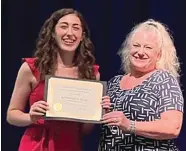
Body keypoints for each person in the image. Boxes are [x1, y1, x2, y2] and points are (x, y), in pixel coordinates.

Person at [6, 8, 110, 151]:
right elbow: (12, 115)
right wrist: (31, 117)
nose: (70, 33)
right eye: (63, 26)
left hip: (71, 145)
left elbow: (85, 130)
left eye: (76, 28)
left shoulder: (91, 74)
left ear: (82, 36)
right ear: (53, 33)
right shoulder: (32, 68)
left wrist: (98, 111)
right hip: (37, 145)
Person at [99, 19, 184, 151]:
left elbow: (173, 127)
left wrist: (130, 125)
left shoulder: (164, 80)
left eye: (148, 47)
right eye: (136, 45)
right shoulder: (114, 83)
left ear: (159, 55)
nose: (140, 52)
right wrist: (103, 110)